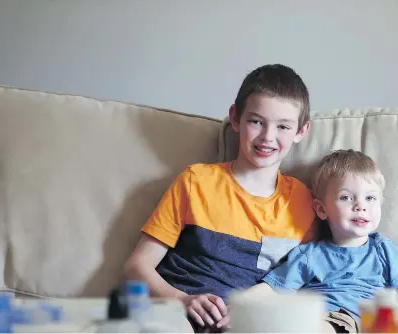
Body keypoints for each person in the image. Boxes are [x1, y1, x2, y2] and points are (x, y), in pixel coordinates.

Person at [123, 64, 316, 332]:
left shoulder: (306, 203)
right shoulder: (196, 181)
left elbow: (304, 283)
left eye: (283, 126)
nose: (267, 137)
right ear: (235, 118)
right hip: (178, 313)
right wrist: (181, 300)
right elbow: (136, 266)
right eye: (256, 121)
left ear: (301, 131)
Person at [239, 149, 398, 333]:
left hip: (360, 323)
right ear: (321, 209)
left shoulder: (383, 250)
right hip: (317, 319)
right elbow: (273, 287)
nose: (360, 206)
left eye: (370, 198)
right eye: (346, 197)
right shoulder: (310, 254)